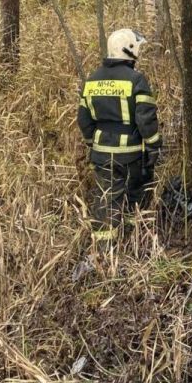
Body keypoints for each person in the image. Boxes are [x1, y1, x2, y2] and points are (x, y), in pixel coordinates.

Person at [77, 28, 163, 238]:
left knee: (107, 198)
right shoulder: (136, 80)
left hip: (101, 154)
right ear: (129, 49)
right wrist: (153, 145)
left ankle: (105, 251)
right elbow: (146, 120)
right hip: (131, 154)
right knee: (136, 192)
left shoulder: (92, 80)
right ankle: (134, 238)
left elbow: (84, 120)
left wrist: (92, 143)